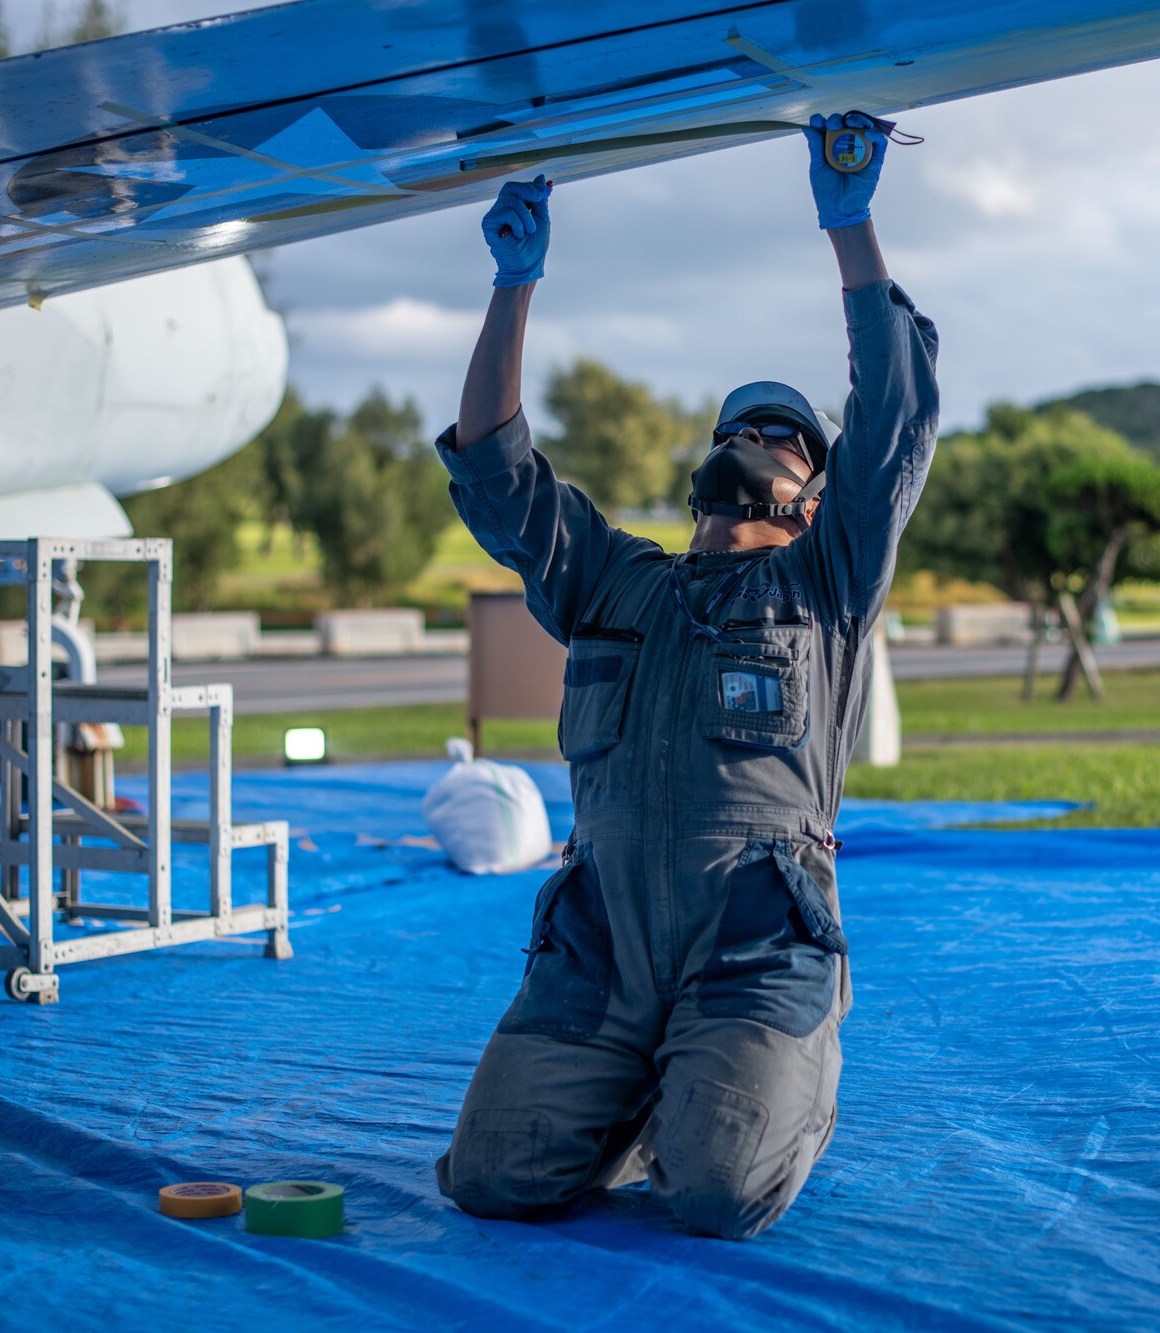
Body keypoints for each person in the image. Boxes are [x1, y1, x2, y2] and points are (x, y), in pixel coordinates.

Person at [432, 113, 939, 1239]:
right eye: (738, 425)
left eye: (785, 435)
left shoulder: (825, 581)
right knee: (490, 1180)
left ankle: (760, 1083)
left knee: (715, 1192)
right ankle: (644, 1084)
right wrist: (512, 286)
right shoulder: (615, 581)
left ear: (815, 495)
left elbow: (895, 421)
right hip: (602, 945)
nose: (754, 435)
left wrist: (849, 224)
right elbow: (498, 476)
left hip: (754, 949)